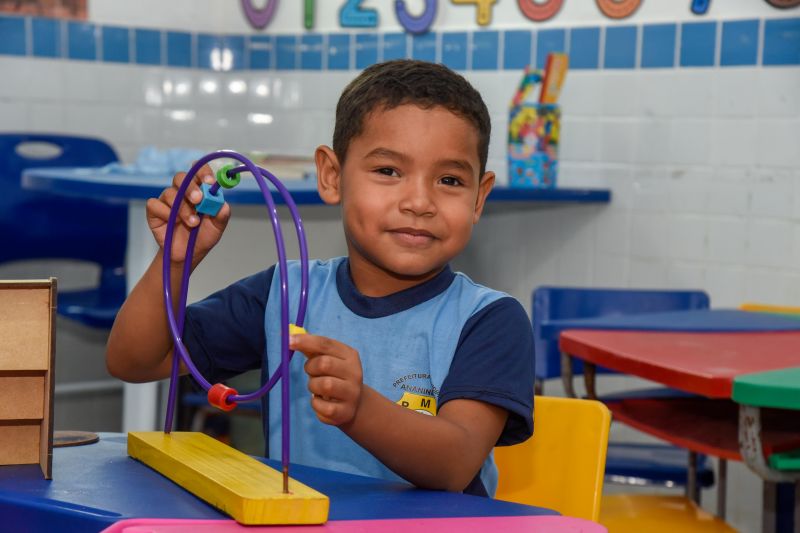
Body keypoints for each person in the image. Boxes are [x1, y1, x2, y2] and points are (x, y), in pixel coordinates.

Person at [106, 59, 534, 497]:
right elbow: (135, 361)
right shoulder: (285, 296)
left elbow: (455, 464)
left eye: (449, 179)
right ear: (332, 176)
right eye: (388, 171)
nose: (419, 202)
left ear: (479, 198)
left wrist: (360, 408)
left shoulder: (490, 320)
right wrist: (175, 262)